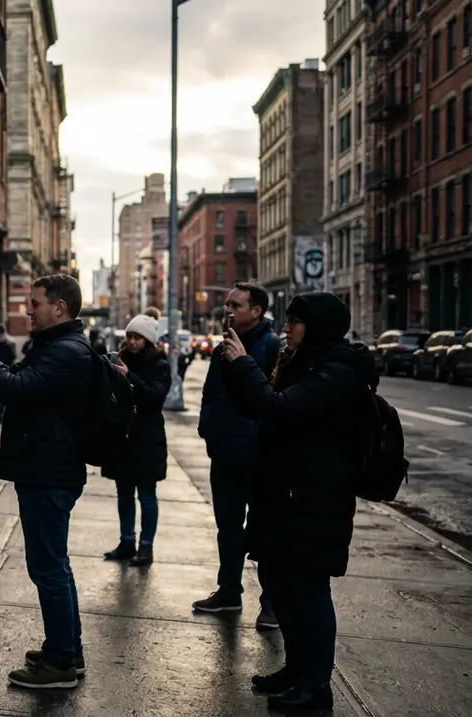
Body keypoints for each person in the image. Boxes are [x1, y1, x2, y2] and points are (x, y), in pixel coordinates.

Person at [217, 292, 374, 711]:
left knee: (308, 590)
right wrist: (231, 364)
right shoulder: (303, 362)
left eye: (295, 321)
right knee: (282, 585)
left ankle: (316, 682)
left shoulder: (337, 372)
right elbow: (255, 406)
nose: (286, 328)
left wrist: (243, 364)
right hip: (284, 495)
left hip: (315, 500)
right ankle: (296, 668)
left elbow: (278, 408)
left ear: (318, 326)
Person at [0, 274, 91, 690]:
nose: (28, 310)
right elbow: (16, 377)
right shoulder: (55, 346)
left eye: (35, 303)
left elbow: (13, 388)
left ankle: (60, 665)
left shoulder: (66, 352)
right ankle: (67, 649)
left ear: (60, 307)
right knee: (56, 565)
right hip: (47, 469)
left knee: (48, 569)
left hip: (48, 472)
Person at [193, 282, 283, 629]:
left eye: (236, 305)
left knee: (264, 530)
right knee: (227, 528)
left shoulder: (272, 346)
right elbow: (211, 393)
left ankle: (271, 604)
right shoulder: (222, 348)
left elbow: (275, 400)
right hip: (224, 452)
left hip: (259, 457)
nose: (227, 310)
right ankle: (229, 592)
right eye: (227, 304)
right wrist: (208, 429)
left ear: (256, 311)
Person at [101, 314, 171, 567]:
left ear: (148, 340)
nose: (132, 342)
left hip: (147, 438)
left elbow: (154, 398)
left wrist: (129, 376)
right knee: (123, 493)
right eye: (129, 336)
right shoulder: (120, 360)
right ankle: (127, 542)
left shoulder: (160, 365)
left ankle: (146, 547)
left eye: (138, 338)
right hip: (122, 437)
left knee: (147, 495)